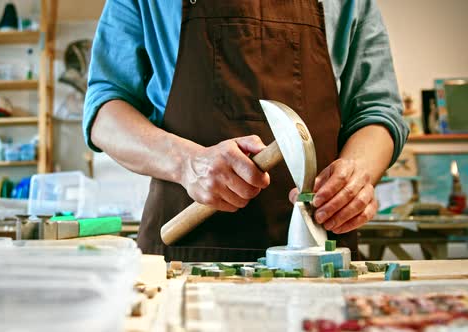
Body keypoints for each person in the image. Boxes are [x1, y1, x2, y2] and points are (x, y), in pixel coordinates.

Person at [84, 0, 409, 262]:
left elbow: (377, 110)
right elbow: (104, 110)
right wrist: (186, 163)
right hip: (183, 257)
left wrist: (356, 173)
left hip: (321, 257)